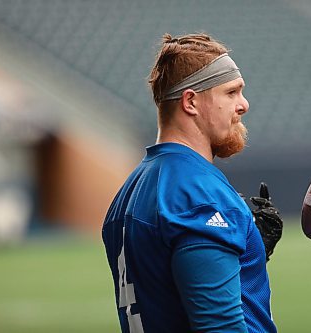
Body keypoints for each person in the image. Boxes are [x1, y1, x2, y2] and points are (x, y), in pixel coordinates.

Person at [102, 33, 283, 333]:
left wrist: (246, 254)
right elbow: (219, 327)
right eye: (231, 92)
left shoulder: (131, 190)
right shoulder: (199, 196)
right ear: (191, 102)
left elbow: (166, 291)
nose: (244, 104)